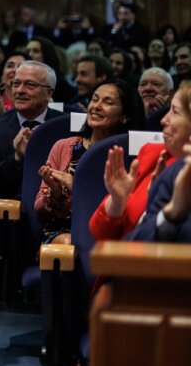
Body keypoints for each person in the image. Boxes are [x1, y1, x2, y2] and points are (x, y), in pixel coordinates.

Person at [0, 61, 64, 319]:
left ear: (49, 92)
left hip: (58, 196)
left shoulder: (66, 122)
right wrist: (16, 157)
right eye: (15, 84)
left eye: (30, 85)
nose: (19, 90)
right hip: (12, 195)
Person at [34, 80, 145, 244]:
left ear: (125, 116)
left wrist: (77, 187)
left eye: (108, 102)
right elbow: (39, 210)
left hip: (113, 234)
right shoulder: (63, 146)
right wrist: (55, 195)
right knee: (69, 243)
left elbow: (131, 211)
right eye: (94, 99)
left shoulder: (133, 156)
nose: (97, 106)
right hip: (64, 233)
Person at [91, 82, 190, 241]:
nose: (163, 120)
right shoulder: (154, 154)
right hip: (122, 261)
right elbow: (100, 234)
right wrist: (118, 201)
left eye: (175, 112)